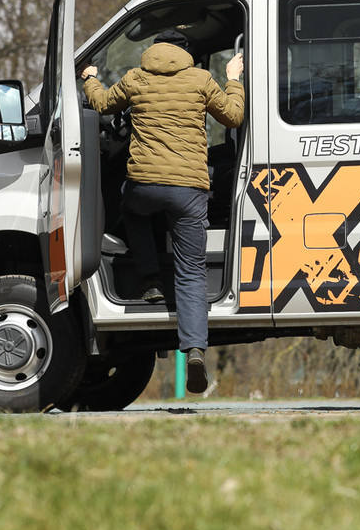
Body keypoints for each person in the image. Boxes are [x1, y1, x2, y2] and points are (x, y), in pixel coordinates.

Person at [80, 29, 244, 394]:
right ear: (186, 53)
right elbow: (233, 117)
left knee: (132, 211)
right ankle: (196, 349)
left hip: (143, 186)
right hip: (188, 191)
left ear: (153, 51)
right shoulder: (201, 79)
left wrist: (90, 78)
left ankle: (150, 278)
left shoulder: (136, 78)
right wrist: (233, 79)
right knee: (191, 272)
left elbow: (104, 105)